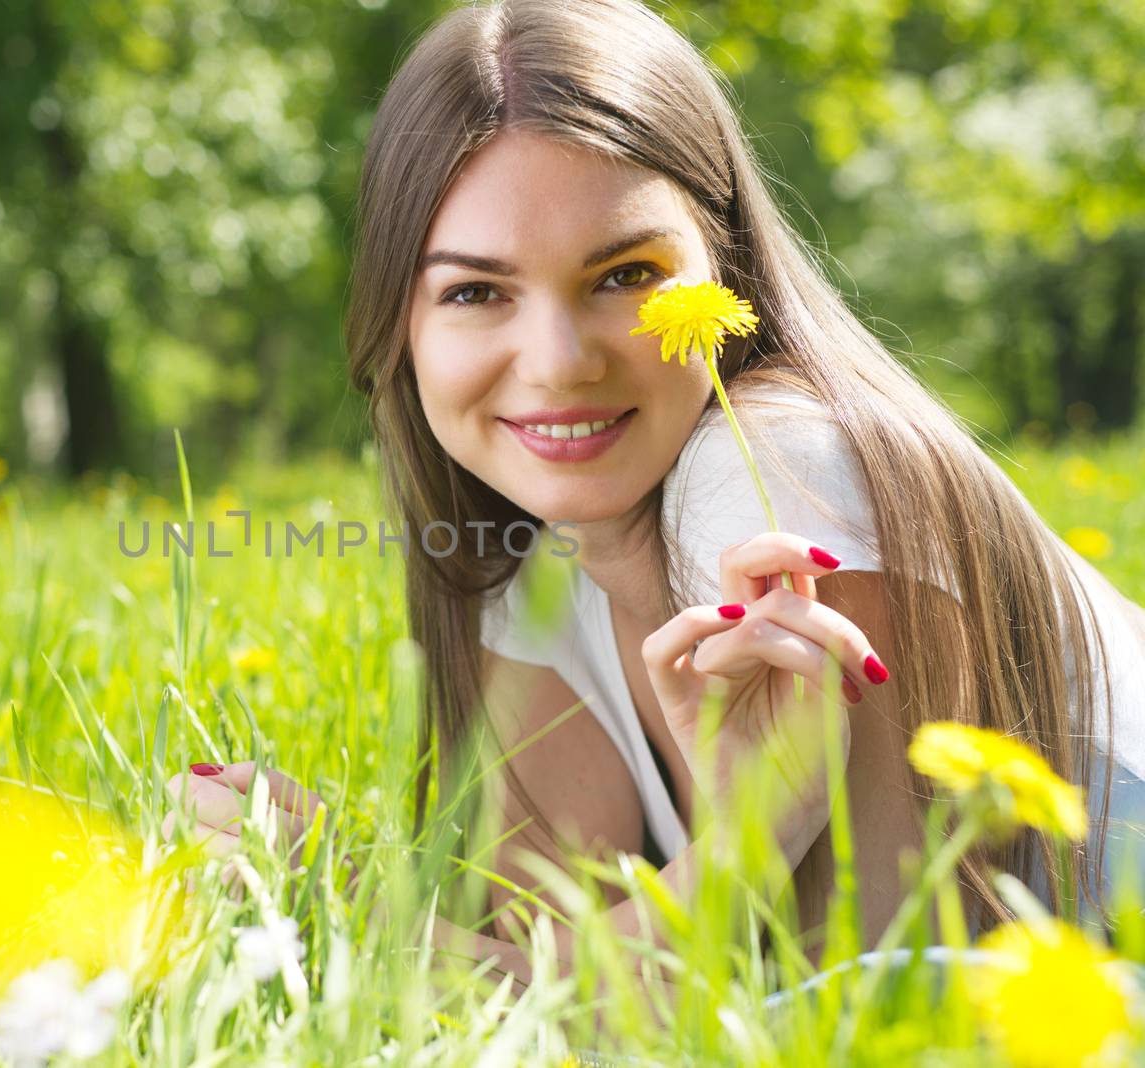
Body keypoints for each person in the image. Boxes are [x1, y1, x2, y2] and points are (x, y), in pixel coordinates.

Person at [160, 0, 1145, 984]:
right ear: (399, 321)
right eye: (474, 292)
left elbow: (861, 1011)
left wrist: (349, 918)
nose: (556, 363)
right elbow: (543, 1004)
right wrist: (330, 892)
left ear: (727, 267)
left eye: (624, 275)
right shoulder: (536, 578)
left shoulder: (777, 470)